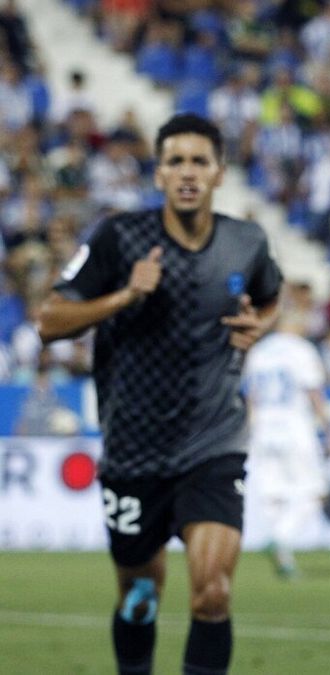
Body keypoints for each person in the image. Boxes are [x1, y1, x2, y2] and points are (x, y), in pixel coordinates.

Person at [37, 113, 282, 675]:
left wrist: (261, 324)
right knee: (139, 599)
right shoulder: (118, 238)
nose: (188, 173)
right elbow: (49, 321)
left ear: (219, 173)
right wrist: (125, 296)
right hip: (133, 454)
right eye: (176, 162)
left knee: (213, 591)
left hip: (214, 445)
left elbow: (272, 295)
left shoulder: (246, 241)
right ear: (159, 174)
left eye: (200, 161)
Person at [243, 308, 330, 579]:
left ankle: (284, 558)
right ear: (294, 323)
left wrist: (250, 432)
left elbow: (251, 397)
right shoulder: (301, 350)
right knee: (316, 490)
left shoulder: (259, 352)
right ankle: (281, 539)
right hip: (294, 428)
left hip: (262, 430)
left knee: (274, 494)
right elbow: (313, 393)